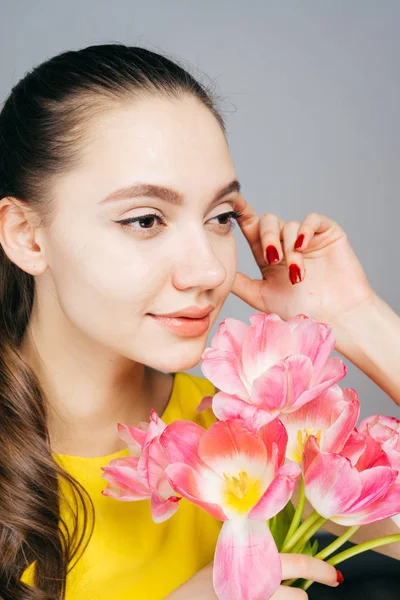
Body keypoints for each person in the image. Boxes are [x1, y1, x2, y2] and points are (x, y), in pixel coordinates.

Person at [0, 42, 397, 600]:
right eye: (144, 219)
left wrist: (355, 319)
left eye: (220, 217)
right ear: (25, 234)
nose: (209, 269)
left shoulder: (244, 445)